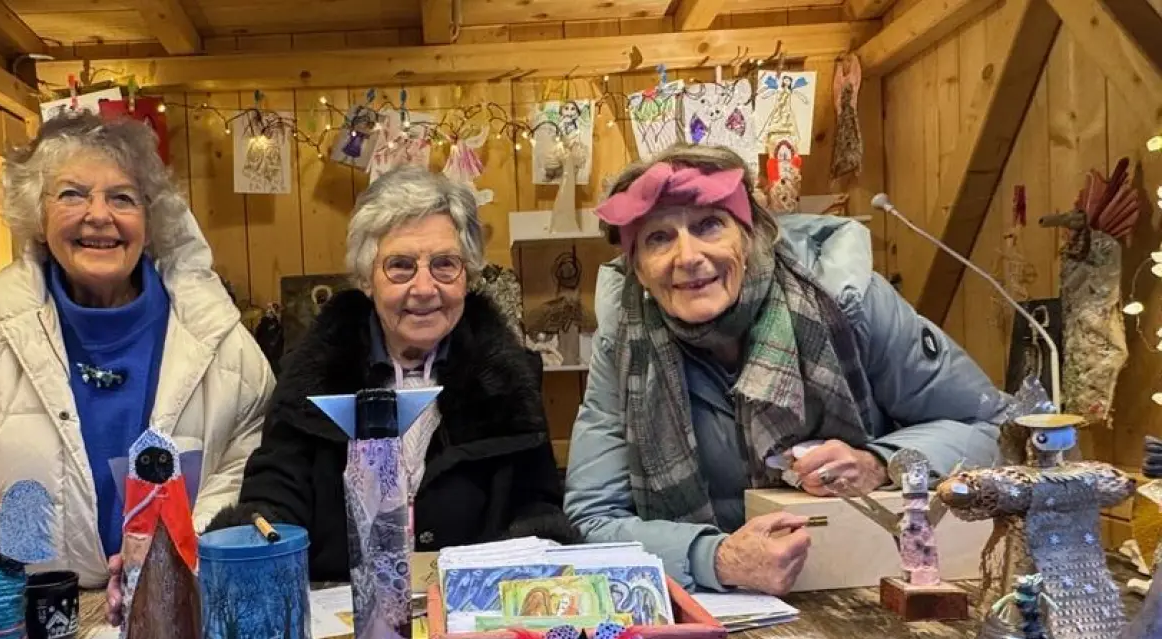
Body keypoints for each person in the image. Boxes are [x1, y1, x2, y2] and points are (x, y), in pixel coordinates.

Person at [0, 113, 274, 588]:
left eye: (122, 198)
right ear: (37, 217)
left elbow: (247, 473)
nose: (98, 215)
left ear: (150, 223)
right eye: (72, 194)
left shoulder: (224, 343)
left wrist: (171, 560)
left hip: (185, 604)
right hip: (28, 624)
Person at [566, 144, 1007, 596]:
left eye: (708, 225)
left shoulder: (847, 304)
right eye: (658, 238)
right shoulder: (624, 344)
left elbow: (993, 428)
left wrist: (880, 462)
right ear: (636, 267)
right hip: (720, 603)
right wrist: (715, 558)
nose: (688, 257)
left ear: (750, 234)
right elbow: (593, 519)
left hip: (864, 589)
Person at [207, 168, 575, 581]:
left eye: (444, 265)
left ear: (468, 276)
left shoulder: (508, 382)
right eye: (400, 266)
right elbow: (273, 497)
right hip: (339, 621)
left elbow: (537, 508)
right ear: (367, 279)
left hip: (472, 618)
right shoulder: (311, 378)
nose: (423, 288)